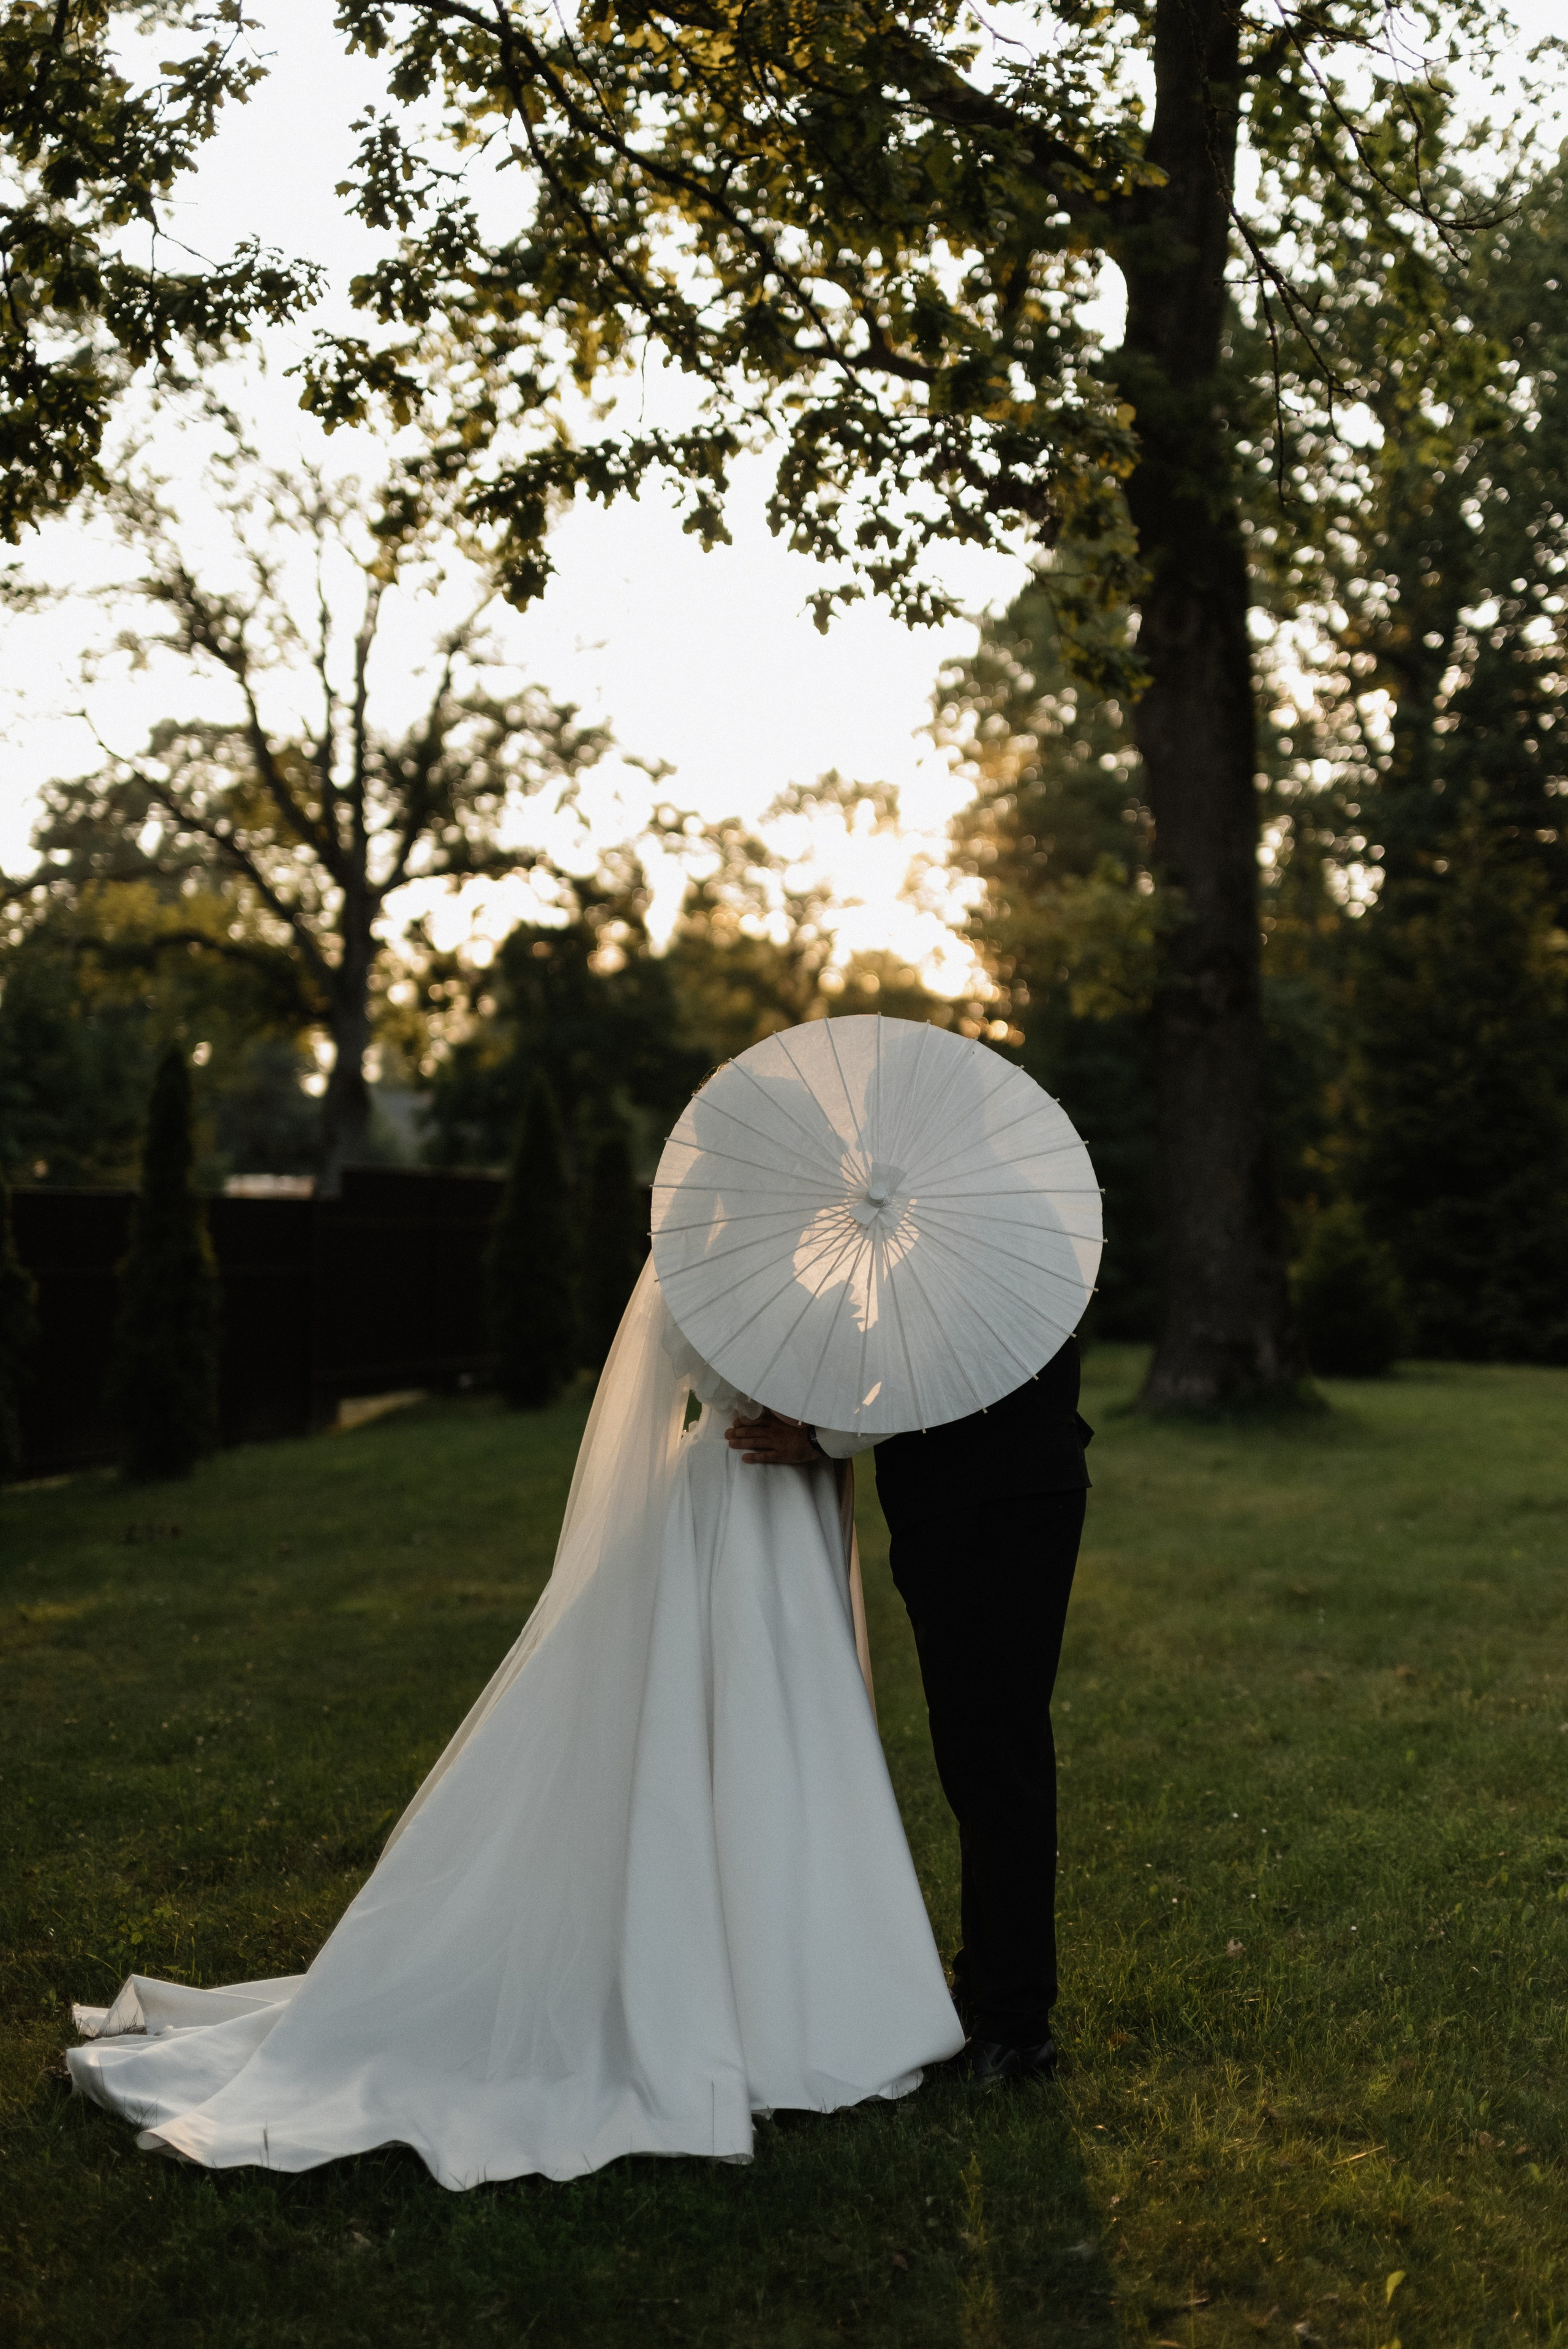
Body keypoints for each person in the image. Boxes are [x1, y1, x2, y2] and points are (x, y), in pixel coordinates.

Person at [66, 1261, 964, 2189]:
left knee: (785, 1733)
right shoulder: (719, 1264)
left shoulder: (747, 1256)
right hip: (743, 1495)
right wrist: (817, 1416)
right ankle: (755, 1992)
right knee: (734, 1718)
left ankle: (801, 1975)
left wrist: (824, 1424)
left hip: (770, 1496)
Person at [727, 1338, 1091, 2086]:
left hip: (979, 1502)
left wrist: (820, 1438)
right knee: (983, 1756)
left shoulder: (959, 1230)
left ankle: (1017, 2028)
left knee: (992, 1756)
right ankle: (991, 1990)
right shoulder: (1023, 1232)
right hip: (1015, 1490)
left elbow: (927, 1376)